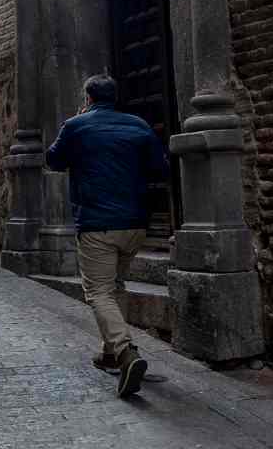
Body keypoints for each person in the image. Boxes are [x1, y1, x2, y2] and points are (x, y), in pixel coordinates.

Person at [45, 74, 171, 397]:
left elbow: (53, 160)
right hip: (135, 224)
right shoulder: (139, 125)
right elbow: (161, 167)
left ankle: (127, 353)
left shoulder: (76, 126)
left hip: (97, 224)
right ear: (114, 98)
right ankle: (109, 352)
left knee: (98, 291)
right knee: (115, 286)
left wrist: (76, 126)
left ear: (88, 98)